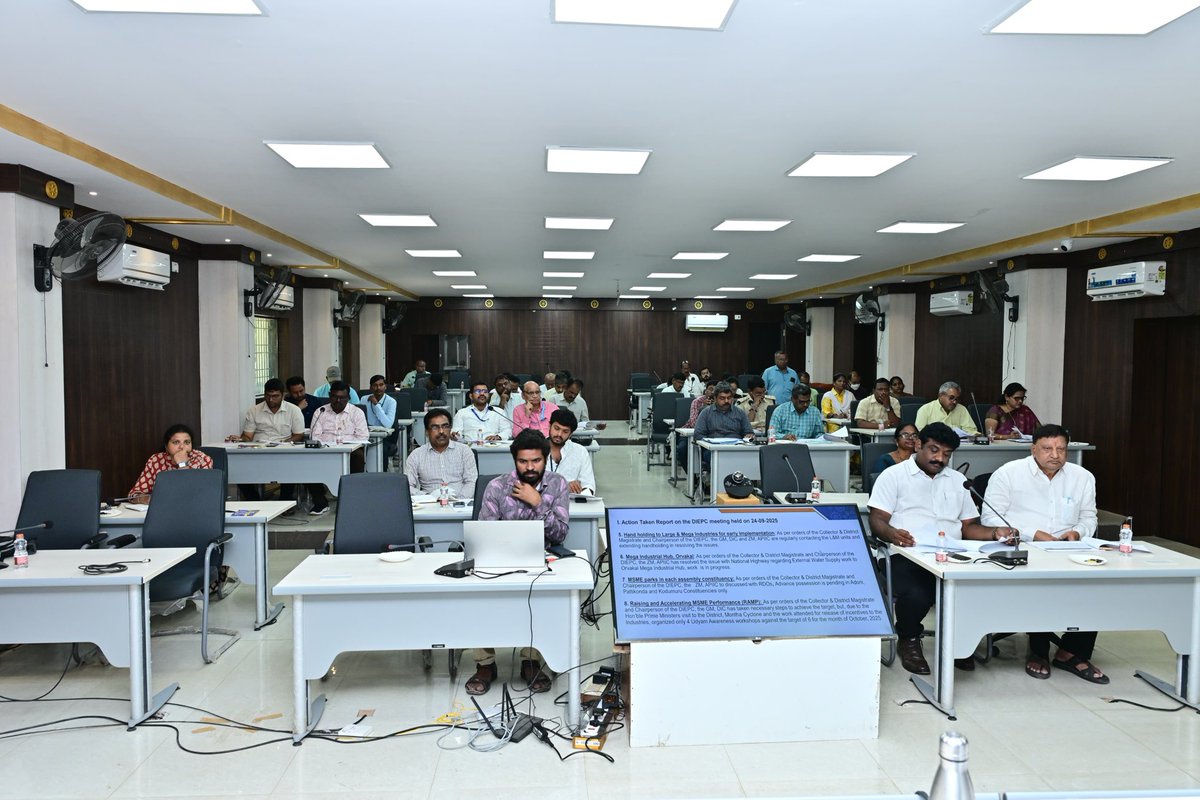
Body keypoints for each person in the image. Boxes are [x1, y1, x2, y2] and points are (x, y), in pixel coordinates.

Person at [868, 422, 1017, 674]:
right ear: (918, 445)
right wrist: (893, 534)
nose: (939, 458)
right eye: (934, 450)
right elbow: (877, 520)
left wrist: (995, 532)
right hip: (906, 553)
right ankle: (909, 637)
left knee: (976, 586)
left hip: (951, 553)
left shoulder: (958, 481)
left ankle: (961, 643)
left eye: (946, 454)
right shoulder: (893, 476)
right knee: (918, 592)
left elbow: (969, 528)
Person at [982, 424, 1106, 683]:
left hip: (1069, 549)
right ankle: (1038, 650)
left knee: (1097, 583)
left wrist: (1078, 533)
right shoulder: (1009, 474)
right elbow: (990, 518)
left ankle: (1071, 652)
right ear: (1033, 449)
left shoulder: (1083, 477)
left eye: (1061, 449)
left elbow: (1089, 517)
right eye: (1047, 448)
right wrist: (1032, 534)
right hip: (1022, 549)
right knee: (1041, 583)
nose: (1055, 455)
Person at [467, 429, 570, 696]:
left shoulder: (557, 484)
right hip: (499, 561)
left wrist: (537, 503)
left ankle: (531, 660)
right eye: (523, 462)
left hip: (542, 561)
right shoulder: (497, 487)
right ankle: (485, 663)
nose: (530, 467)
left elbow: (559, 533)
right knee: (478, 595)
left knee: (544, 599)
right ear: (515, 460)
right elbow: (485, 534)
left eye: (536, 461)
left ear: (545, 459)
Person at [128, 423, 213, 503]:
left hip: (194, 511)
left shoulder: (202, 459)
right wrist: (146, 499)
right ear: (166, 447)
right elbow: (134, 494)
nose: (182, 447)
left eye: (187, 442)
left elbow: (205, 495)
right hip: (163, 510)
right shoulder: (156, 460)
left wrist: (182, 464)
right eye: (176, 442)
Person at [405, 407, 477, 498]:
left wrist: (459, 500)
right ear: (427, 432)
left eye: (445, 426)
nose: (441, 431)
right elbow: (407, 486)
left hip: (460, 505)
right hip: (429, 506)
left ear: (450, 429)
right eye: (435, 427)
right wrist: (429, 497)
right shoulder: (416, 455)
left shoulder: (464, 451)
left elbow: (472, 481)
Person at [547, 409, 596, 494]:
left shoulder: (580, 451)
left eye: (565, 431)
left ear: (571, 434)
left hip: (572, 503)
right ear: (549, 426)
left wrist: (582, 490)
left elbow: (589, 486)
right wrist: (564, 487)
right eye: (556, 428)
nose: (559, 434)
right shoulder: (535, 449)